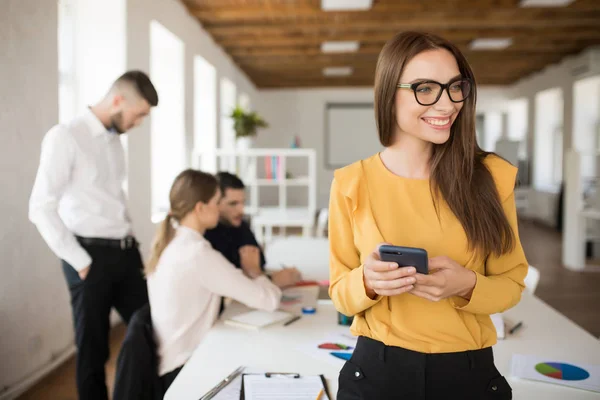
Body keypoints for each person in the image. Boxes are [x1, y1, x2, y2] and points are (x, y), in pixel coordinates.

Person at [328, 31, 528, 400]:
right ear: (389, 93)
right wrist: (369, 282)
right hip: (376, 372)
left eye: (455, 87)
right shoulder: (350, 183)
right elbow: (340, 294)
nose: (447, 104)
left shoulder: (493, 177)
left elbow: (512, 285)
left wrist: (467, 284)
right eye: (425, 89)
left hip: (467, 374)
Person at [28, 70, 158, 400]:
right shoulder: (65, 136)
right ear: (117, 100)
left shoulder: (114, 142)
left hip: (126, 253)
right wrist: (81, 263)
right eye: (138, 114)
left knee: (154, 328)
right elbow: (40, 207)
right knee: (93, 350)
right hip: (88, 258)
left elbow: (110, 202)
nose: (139, 122)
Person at [145, 169, 281, 392]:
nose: (220, 208)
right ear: (200, 208)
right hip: (186, 369)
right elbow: (269, 300)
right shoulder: (197, 254)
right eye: (217, 202)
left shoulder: (172, 243)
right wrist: (255, 271)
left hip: (171, 360)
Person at [204, 172, 301, 288]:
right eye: (233, 204)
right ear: (216, 204)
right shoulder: (206, 235)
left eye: (243, 202)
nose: (241, 210)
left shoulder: (241, 225)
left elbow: (259, 262)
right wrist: (271, 280)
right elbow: (229, 279)